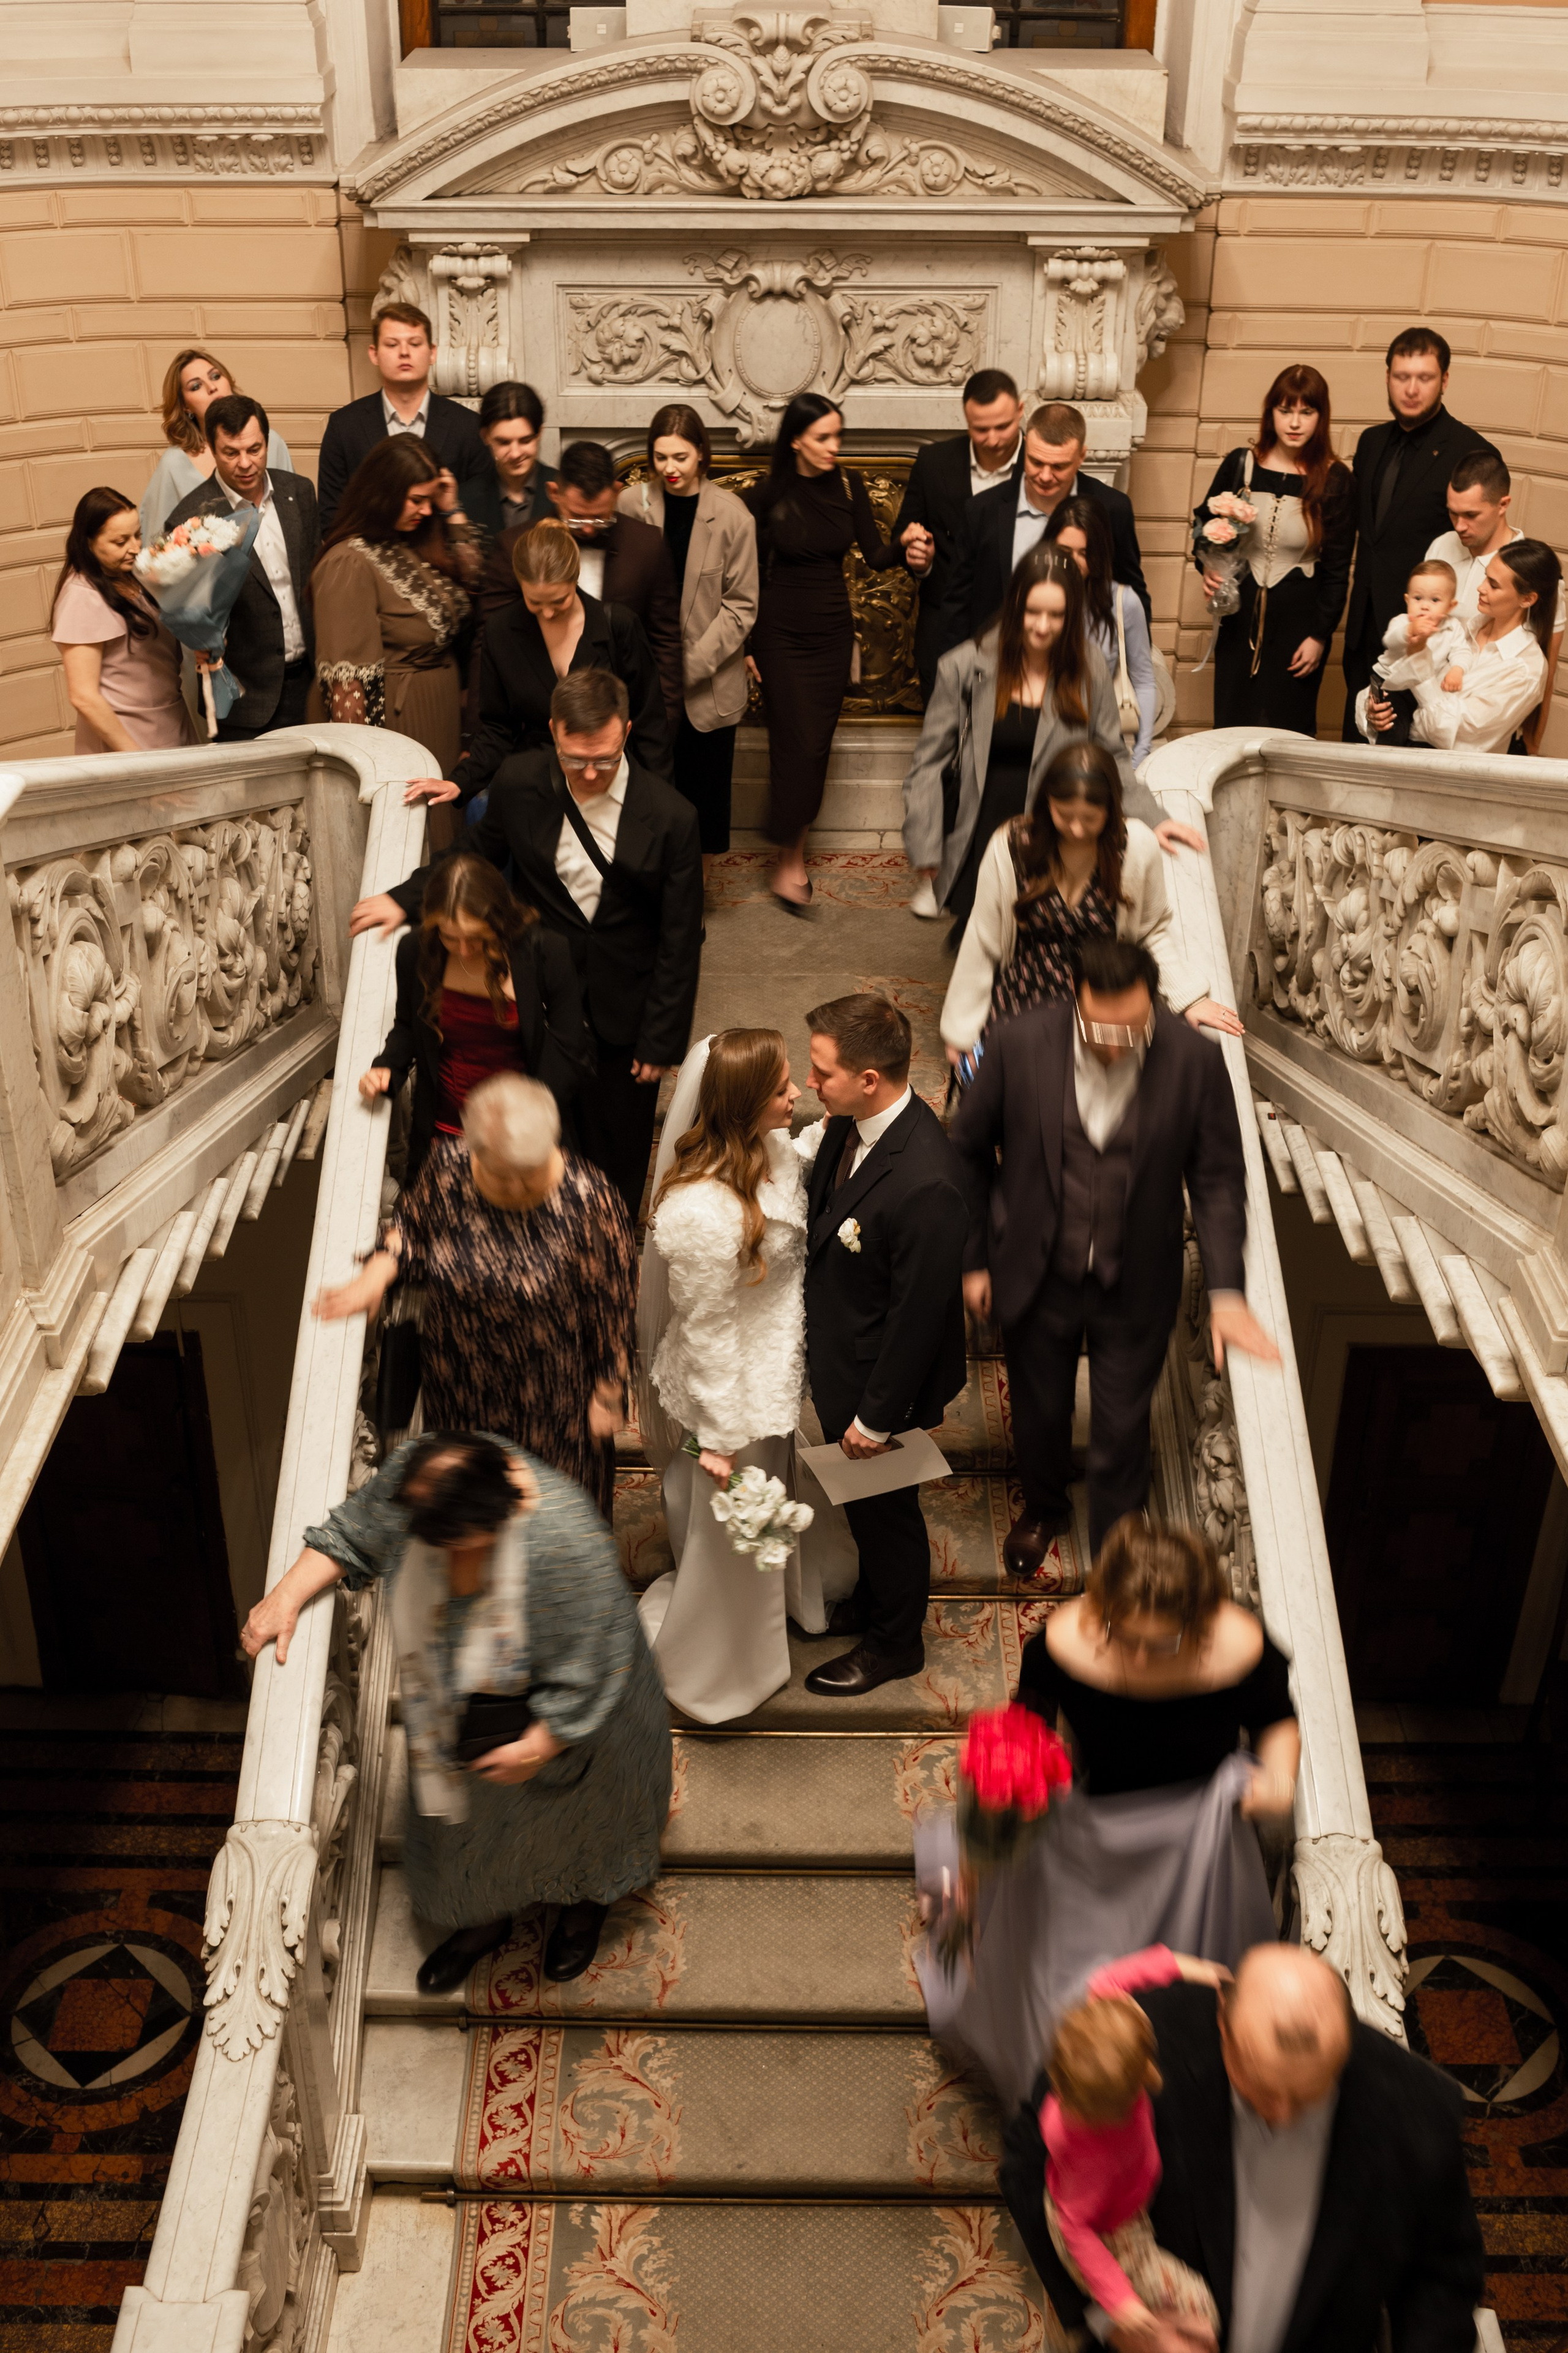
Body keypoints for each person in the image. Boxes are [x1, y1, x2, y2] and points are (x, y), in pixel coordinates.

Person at [240, 1428, 671, 1993]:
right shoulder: (420, 1481)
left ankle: (583, 1911)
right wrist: (284, 1598)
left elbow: (599, 1661)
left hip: (581, 1716)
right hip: (458, 1708)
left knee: (586, 1827)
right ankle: (483, 1921)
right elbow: (353, 1532)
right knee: (469, 1830)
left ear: (502, 1516)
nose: (446, 1561)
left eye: (463, 1547)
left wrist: (542, 1743)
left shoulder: (564, 1537)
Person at [915, 1519, 1298, 2109]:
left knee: (1180, 1994)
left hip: (1198, 1840)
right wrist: (993, 1825)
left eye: (1163, 1642)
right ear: (1104, 1610)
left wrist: (1279, 1774)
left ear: (1197, 1621)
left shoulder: (1244, 1651)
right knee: (1064, 1983)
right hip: (1089, 1831)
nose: (1142, 1656)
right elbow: (1026, 1738)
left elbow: (1277, 1721)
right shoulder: (1057, 1650)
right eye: (1126, 1636)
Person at [951, 935, 1278, 1571]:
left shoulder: (1193, 1062)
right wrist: (976, 1257)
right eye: (1103, 1028)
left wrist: (1226, 1290)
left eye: (1133, 1028)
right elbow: (965, 1151)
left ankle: (1114, 1557)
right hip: (1035, 1272)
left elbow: (1217, 1178)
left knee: (1122, 1431)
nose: (1116, 1043)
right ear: (1076, 999)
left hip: (1136, 1280)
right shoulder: (1018, 1043)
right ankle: (1044, 1506)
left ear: (1152, 1006)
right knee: (1039, 1412)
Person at [1001, 1941, 1486, 2353]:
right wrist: (1113, 2323)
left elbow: (1442, 2277)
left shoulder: (1418, 2113)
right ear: (1224, 2028)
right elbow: (1028, 2162)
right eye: (1261, 2086)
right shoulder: (1140, 2042)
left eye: (1306, 2096)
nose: (1280, 2113)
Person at [353, 670, 704, 1229]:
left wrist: (662, 1039)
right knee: (546, 1134)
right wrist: (405, 899)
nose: (590, 774)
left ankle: (605, 1249)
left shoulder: (672, 817)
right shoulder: (520, 782)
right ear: (552, 733)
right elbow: (474, 852)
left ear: (628, 731)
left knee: (616, 1152)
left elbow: (682, 936)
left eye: (606, 759)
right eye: (574, 758)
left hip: (626, 1009)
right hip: (539, 995)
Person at [635, 1029, 856, 1723]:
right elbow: (705, 1335)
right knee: (737, 1538)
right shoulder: (697, 1212)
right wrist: (722, 1439)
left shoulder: (773, 1148)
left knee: (770, 1515)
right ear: (743, 1103)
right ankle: (718, 1665)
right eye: (783, 1088)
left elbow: (802, 1157)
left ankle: (787, 1600)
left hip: (775, 1367)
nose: (797, 1096)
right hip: (730, 1393)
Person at [316, 1072, 636, 1519]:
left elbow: (613, 1308)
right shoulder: (449, 1168)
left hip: (551, 1399)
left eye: (528, 1176)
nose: (516, 1190)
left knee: (547, 1518)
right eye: (501, 1176)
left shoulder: (591, 1202)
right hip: (462, 1383)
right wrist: (375, 1276)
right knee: (472, 1511)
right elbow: (412, 1229)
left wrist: (607, 1391)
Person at [799, 994, 969, 1696]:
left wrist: (876, 1415)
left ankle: (895, 1644)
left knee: (890, 1518)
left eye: (822, 1071)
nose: (810, 1083)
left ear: (870, 1078)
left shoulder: (925, 1179)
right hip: (846, 1357)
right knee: (868, 1514)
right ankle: (873, 1605)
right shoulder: (851, 1122)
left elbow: (919, 1314)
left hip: (882, 1384)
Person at [902, 546, 1202, 938]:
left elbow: (1110, 756)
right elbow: (930, 762)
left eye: (1057, 615)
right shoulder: (963, 666)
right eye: (1032, 612)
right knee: (984, 951)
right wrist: (925, 843)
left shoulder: (1090, 666)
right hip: (982, 836)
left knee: (1042, 948)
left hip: (1057, 836)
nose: (1043, 627)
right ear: (1014, 607)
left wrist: (1155, 819)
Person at [940, 742, 1240, 1064]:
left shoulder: (1137, 845)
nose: (1077, 829)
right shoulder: (1012, 845)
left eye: (1090, 818)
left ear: (1110, 810)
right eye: (1064, 815)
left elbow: (1151, 931)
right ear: (1046, 802)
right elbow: (983, 940)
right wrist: (961, 1030)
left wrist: (1189, 998)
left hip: (1105, 999)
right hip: (1024, 997)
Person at [742, 394, 912, 912]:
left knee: (815, 747)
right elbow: (745, 574)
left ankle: (790, 850)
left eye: (838, 436)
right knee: (793, 744)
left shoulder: (849, 484)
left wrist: (907, 544)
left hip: (833, 634)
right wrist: (748, 644)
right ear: (796, 438)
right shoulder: (766, 495)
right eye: (823, 438)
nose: (833, 447)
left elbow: (878, 556)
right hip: (780, 635)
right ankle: (789, 860)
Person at [359, 850, 590, 1181]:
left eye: (477, 938)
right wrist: (387, 1067)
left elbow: (571, 1050)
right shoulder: (415, 950)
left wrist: (522, 1124)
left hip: (523, 1137)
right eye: (450, 937)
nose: (464, 950)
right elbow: (409, 1026)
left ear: (499, 922)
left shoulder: (545, 952)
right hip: (444, 1136)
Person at [1039, 1947, 1227, 2345]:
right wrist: (1120, 2299)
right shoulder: (1089, 2152)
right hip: (1112, 2232)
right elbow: (1075, 2226)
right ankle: (1098, 2323)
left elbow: (1113, 1975)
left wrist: (1192, 1968)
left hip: (1123, 2196)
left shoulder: (1111, 2023)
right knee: (1201, 2308)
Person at [309, 436, 481, 847]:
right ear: (384, 494)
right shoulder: (349, 562)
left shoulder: (409, 543)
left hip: (438, 721)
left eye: (430, 498)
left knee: (442, 837)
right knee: (411, 845)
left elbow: (474, 577)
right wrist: (368, 771)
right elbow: (347, 685)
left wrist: (451, 507)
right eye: (417, 499)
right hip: (401, 726)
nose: (426, 510)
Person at [430, 518, 668, 813]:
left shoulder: (618, 625)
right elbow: (497, 729)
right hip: (534, 792)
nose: (547, 613)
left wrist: (657, 804)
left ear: (576, 578)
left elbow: (650, 725)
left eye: (559, 601)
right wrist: (460, 781)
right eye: (534, 602)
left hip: (609, 788)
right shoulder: (501, 632)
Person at [1340, 327, 1498, 742]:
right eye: (1401, 376)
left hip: (1429, 644)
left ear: (1444, 380)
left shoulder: (1471, 453)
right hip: (1365, 634)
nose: (1411, 389)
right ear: (1388, 377)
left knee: (1406, 764)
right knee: (1353, 758)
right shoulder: (1371, 442)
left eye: (1424, 378)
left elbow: (1475, 556)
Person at [617, 404, 760, 859]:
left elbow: (742, 607)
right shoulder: (629, 506)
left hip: (707, 686)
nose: (670, 469)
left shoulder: (734, 516)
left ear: (701, 454)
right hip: (643, 681)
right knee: (646, 797)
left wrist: (687, 667)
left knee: (701, 804)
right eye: (660, 458)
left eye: (680, 457)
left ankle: (693, 893)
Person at [1193, 364, 1354, 736]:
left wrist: (1319, 636)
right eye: (1285, 411)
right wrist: (1210, 570)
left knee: (1286, 731)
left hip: (1299, 629)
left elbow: (1337, 568)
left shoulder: (1335, 480)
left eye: (1306, 412)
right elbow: (1203, 527)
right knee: (1231, 727)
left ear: (1320, 416)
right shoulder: (1240, 464)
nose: (1295, 423)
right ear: (1271, 413)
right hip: (1238, 618)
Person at [481, 440, 685, 734]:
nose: (589, 529)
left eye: (601, 518)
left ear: (617, 492)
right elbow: (488, 645)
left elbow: (665, 643)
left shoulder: (647, 545)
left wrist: (662, 726)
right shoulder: (515, 546)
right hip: (535, 728)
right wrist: (475, 736)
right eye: (577, 518)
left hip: (625, 724)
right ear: (555, 493)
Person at [937, 401, 1152, 658]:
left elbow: (1133, 593)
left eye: (1059, 466)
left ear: (1081, 456)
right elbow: (957, 606)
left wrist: (1136, 664)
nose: (1046, 476)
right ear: (1025, 446)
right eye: (1036, 462)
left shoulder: (1112, 509)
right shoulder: (982, 511)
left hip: (1082, 673)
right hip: (997, 671)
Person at [165, 393, 318, 738]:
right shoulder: (191, 519)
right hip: (246, 702)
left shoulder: (300, 492)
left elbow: (317, 580)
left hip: (312, 685)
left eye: (255, 449)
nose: (245, 463)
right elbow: (188, 611)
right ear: (211, 448)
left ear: (267, 441)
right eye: (231, 453)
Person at [891, 368, 1025, 709]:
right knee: (945, 743)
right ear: (966, 420)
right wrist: (921, 559)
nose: (993, 438)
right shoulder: (934, 462)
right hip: (945, 629)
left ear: (1021, 412)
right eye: (981, 429)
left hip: (1021, 630)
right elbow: (903, 534)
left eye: (1003, 427)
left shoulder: (1042, 466)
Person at [1363, 538, 1561, 755]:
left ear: (1527, 599)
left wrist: (1418, 664)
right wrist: (1374, 712)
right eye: (1486, 576)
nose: (1481, 587)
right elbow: (1389, 677)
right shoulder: (1462, 627)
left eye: (1493, 585)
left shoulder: (1525, 670)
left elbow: (1455, 739)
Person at [1425, 449, 1566, 747]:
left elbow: (1546, 675)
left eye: (1471, 515)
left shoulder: (1532, 573)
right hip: (1428, 701)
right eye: (1453, 512)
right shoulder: (1442, 546)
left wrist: (1531, 750)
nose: (1459, 525)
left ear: (1503, 505)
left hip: (1476, 730)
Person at [315, 301, 486, 541]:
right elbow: (331, 517)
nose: (404, 352)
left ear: (432, 352)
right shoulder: (344, 426)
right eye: (392, 344)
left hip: (446, 568)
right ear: (374, 354)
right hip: (368, 567)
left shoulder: (468, 427)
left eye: (415, 344)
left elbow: (481, 516)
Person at [51, 486, 198, 754]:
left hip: (169, 721)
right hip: (127, 740)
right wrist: (135, 759)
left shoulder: (132, 575)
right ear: (88, 543)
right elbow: (84, 697)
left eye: (138, 535)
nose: (135, 547)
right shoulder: (81, 597)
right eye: (120, 542)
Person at [1044, 496, 1158, 766]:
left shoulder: (1124, 602)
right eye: (1064, 551)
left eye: (1085, 553)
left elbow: (1143, 679)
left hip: (1100, 746)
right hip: (1038, 742)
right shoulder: (1032, 597)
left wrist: (1142, 750)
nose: (1074, 562)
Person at [139, 347, 294, 543]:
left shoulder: (271, 440)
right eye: (196, 386)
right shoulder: (174, 463)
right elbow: (158, 541)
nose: (212, 387)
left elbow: (293, 513)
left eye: (215, 376)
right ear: (185, 406)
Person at [1352, 558, 1473, 747]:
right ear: (1407, 600)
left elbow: (1462, 651)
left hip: (1421, 687)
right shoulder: (1402, 622)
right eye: (1418, 599)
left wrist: (1457, 670)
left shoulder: (1453, 627)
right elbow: (1390, 641)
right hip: (1392, 685)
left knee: (1420, 732)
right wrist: (1409, 632)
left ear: (1450, 606)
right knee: (1392, 729)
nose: (1425, 606)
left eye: (1435, 600)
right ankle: (1384, 763)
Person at [460, 381, 558, 543]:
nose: (515, 454)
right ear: (485, 436)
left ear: (539, 433)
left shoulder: (564, 491)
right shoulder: (465, 498)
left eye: (525, 441)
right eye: (504, 443)